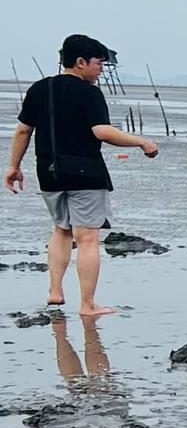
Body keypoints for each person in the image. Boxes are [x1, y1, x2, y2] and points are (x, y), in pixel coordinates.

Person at [5, 34, 158, 317]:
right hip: (85, 172)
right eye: (98, 63)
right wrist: (140, 141)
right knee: (87, 238)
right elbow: (101, 131)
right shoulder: (89, 93)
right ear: (80, 62)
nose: (101, 69)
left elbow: (23, 131)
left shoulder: (40, 89)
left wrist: (13, 166)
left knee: (61, 231)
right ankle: (88, 305)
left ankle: (55, 292)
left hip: (48, 172)